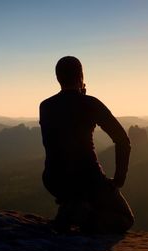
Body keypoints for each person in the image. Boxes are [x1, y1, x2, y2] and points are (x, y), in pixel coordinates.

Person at [39, 56, 134, 234]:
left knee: (77, 195)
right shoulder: (90, 103)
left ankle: (72, 205)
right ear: (81, 76)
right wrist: (119, 179)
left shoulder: (45, 106)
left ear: (58, 78)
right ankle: (82, 217)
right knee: (125, 219)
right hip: (88, 179)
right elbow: (122, 140)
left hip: (53, 179)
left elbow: (60, 135)